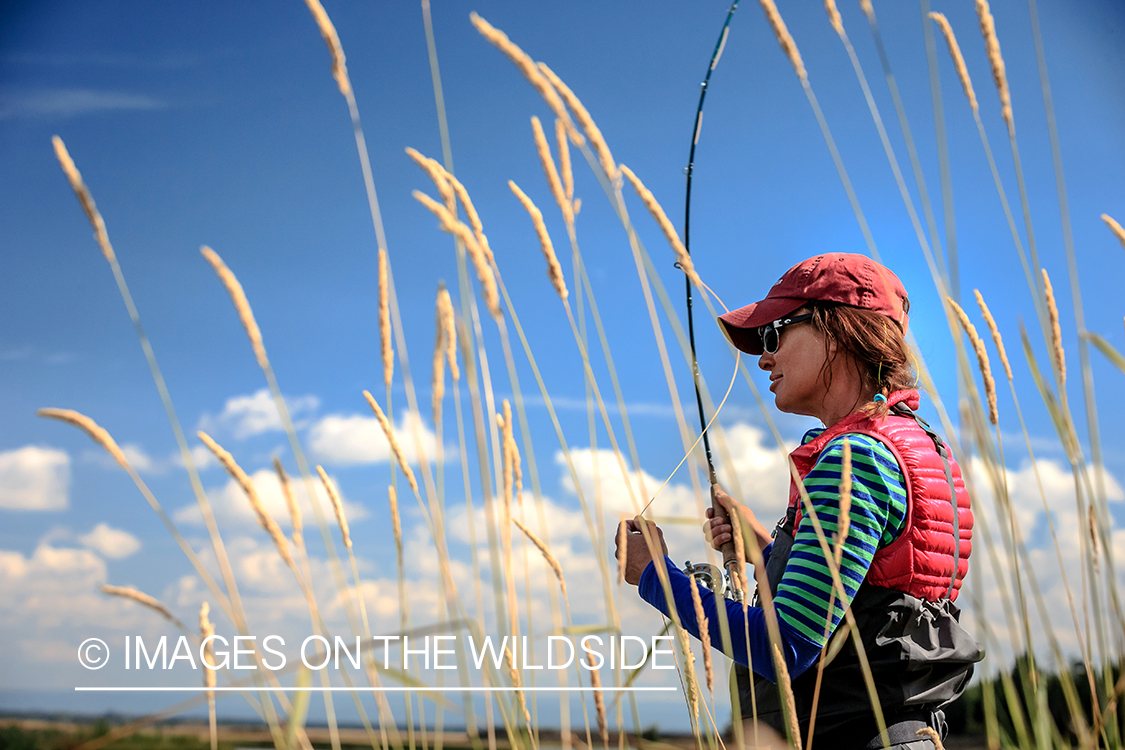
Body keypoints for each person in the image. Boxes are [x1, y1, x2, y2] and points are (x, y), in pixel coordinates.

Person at [616, 253, 983, 749]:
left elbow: (786, 646)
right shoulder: (912, 445)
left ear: (837, 330)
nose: (763, 358)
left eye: (775, 335)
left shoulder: (855, 460)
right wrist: (767, 549)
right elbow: (871, 604)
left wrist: (655, 577)